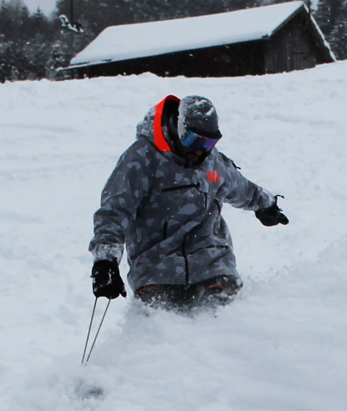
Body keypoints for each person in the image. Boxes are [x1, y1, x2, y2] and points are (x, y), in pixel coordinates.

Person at [89, 94, 288, 311]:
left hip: (214, 265)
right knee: (168, 335)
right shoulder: (142, 159)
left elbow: (239, 186)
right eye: (195, 141)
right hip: (158, 271)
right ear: (179, 130)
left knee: (227, 326)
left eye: (210, 142)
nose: (201, 150)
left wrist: (265, 204)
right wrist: (105, 261)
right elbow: (114, 211)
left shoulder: (211, 161)